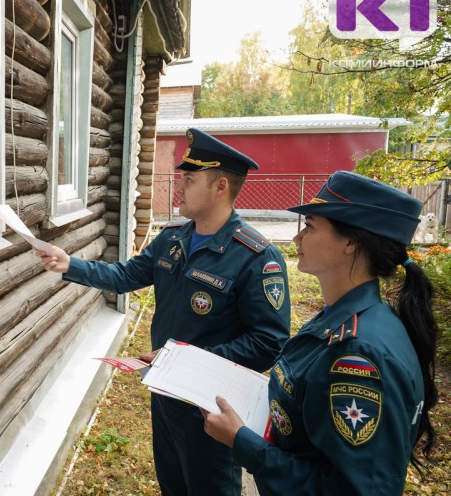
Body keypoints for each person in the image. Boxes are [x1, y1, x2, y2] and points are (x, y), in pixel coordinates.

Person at [37, 128, 291, 495]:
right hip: (166, 396)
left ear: (221, 187)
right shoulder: (172, 238)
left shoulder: (256, 257)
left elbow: (269, 343)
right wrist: (69, 264)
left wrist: (184, 360)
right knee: (172, 485)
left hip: (211, 410)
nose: (178, 186)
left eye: (189, 179)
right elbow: (125, 276)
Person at [202, 171, 439, 496]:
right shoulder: (345, 317)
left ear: (350, 243)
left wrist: (242, 441)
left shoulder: (358, 356)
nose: (298, 239)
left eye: (310, 226)